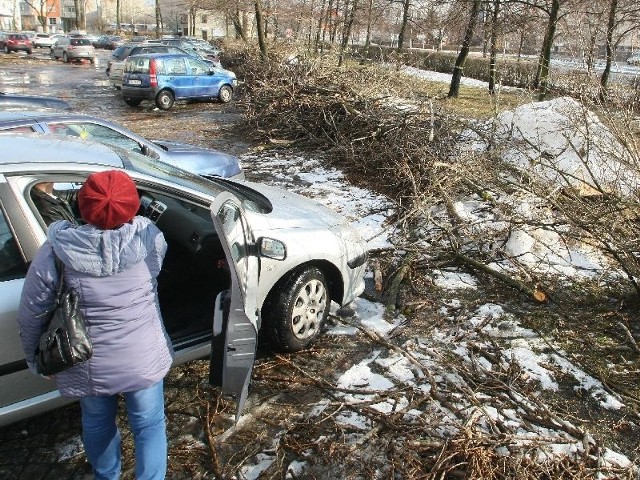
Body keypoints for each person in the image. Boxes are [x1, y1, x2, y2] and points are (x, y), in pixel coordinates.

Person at [17, 170, 174, 480]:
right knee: (149, 424)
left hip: (86, 359)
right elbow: (155, 270)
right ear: (132, 207)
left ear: (83, 206)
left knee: (97, 422)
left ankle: (106, 475)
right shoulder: (151, 238)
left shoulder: (55, 251)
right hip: (141, 357)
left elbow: (31, 312)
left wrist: (36, 359)